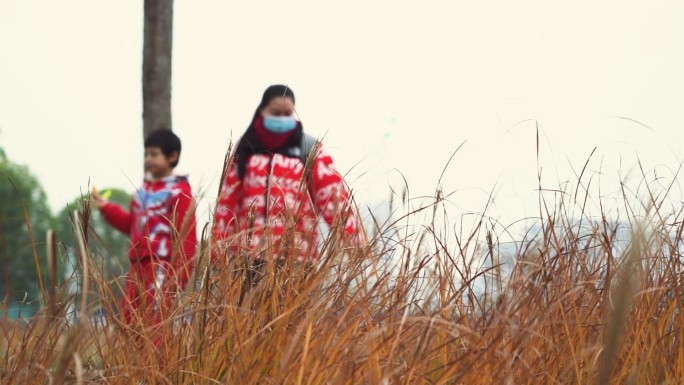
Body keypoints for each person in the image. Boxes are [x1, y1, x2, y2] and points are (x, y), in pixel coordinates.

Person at [212, 84, 362, 267]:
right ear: (262, 111)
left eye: (287, 113)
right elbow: (227, 203)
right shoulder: (245, 149)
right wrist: (217, 251)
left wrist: (353, 243)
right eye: (276, 113)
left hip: (297, 257)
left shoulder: (308, 148)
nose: (282, 118)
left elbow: (333, 198)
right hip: (247, 257)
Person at [92, 129, 197, 326]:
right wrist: (107, 208)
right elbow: (131, 225)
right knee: (128, 321)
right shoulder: (142, 192)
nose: (148, 159)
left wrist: (178, 279)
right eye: (146, 154)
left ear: (172, 156)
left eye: (154, 154)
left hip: (161, 268)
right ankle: (129, 358)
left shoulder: (179, 193)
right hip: (136, 268)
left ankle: (155, 359)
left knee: (154, 324)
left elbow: (187, 238)